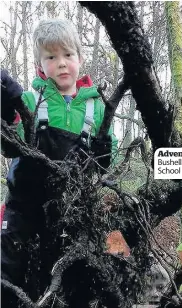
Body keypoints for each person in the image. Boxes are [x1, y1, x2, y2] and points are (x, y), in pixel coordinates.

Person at [1, 19, 118, 291]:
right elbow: (9, 145)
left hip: (71, 212)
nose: (62, 63)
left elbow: (102, 166)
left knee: (81, 279)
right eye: (51, 57)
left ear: (80, 58)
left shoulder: (96, 109)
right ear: (39, 65)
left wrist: (104, 152)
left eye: (68, 55)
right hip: (24, 209)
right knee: (7, 270)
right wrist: (7, 110)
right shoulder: (31, 101)